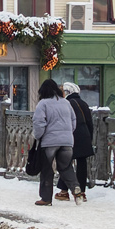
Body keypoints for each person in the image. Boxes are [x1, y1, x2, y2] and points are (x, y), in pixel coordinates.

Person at [32, 78, 81, 206]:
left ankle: (46, 198)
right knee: (66, 167)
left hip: (49, 142)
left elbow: (38, 123)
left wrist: (38, 136)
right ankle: (76, 189)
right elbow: (73, 122)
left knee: (47, 169)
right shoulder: (66, 103)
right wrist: (67, 134)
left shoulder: (43, 104)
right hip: (67, 141)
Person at [60, 82, 96, 200]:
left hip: (71, 136)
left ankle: (64, 190)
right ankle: (82, 191)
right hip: (84, 135)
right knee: (82, 163)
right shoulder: (84, 104)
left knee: (66, 163)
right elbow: (90, 123)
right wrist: (89, 138)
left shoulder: (67, 104)